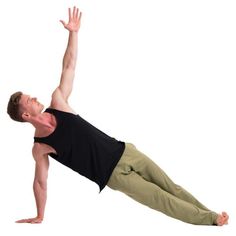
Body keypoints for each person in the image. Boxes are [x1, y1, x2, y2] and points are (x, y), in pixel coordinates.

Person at [7, 6, 229, 226]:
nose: (34, 98)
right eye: (30, 100)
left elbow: (69, 66)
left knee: (172, 187)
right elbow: (40, 182)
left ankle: (211, 214)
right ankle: (211, 220)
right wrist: (40, 215)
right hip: (114, 176)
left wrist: (73, 33)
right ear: (26, 115)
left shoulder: (58, 103)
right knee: (161, 200)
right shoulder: (40, 146)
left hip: (125, 150)